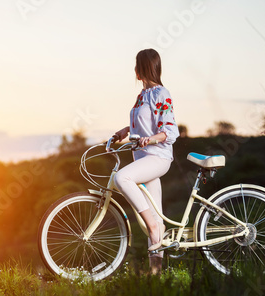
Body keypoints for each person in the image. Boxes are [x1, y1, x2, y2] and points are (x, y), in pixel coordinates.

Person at [112, 48, 179, 274]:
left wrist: (151, 139)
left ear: (142, 68)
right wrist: (122, 132)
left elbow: (169, 130)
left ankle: (151, 224)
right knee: (157, 220)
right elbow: (139, 125)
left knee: (122, 177)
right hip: (144, 158)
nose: (134, 71)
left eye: (136, 66)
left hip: (157, 157)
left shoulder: (162, 93)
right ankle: (156, 276)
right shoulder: (142, 96)